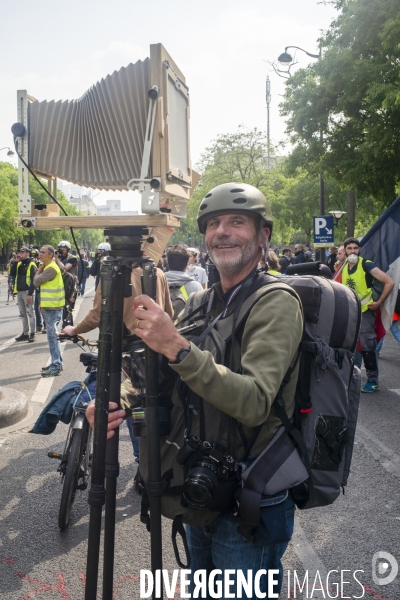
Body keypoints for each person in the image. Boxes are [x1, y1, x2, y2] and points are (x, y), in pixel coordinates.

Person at [87, 182, 303, 597]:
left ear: (263, 236)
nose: (222, 231)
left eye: (237, 222)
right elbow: (160, 373)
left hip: (249, 495)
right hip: (199, 488)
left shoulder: (276, 301)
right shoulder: (202, 301)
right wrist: (119, 399)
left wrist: (177, 346)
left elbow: (256, 401)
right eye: (214, 223)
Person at [62, 264, 173, 465]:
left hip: (125, 350)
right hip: (154, 347)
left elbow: (97, 315)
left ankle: (140, 457)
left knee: (124, 402)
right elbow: (169, 313)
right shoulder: (156, 272)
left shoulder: (112, 273)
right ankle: (145, 462)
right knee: (146, 403)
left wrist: (74, 329)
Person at [341, 237, 394, 393]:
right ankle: (353, 373)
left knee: (368, 347)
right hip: (351, 311)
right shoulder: (344, 266)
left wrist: (378, 303)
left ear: (359, 249)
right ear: (345, 250)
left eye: (355, 248)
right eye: (349, 248)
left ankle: (372, 381)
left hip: (365, 312)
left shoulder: (366, 264)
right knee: (351, 344)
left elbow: (389, 282)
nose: (352, 251)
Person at [33, 245, 65, 377]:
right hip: (49, 306)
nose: (40, 254)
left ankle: (56, 365)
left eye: (43, 252)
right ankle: (56, 363)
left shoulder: (51, 268)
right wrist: (42, 302)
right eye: (40, 252)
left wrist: (39, 269)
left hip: (53, 308)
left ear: (51, 255)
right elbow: (45, 287)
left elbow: (36, 281)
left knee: (53, 338)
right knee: (52, 338)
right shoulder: (48, 267)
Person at [164, 245, 203, 319]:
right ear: (186, 265)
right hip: (186, 328)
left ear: (168, 263)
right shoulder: (196, 287)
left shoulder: (159, 283)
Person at [10, 246, 37, 342]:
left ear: (28, 253)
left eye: (23, 252)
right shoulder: (19, 263)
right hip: (20, 291)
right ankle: (25, 333)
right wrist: (15, 262)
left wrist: (30, 293)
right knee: (22, 313)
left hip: (27, 292)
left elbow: (34, 281)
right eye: (20, 251)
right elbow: (12, 273)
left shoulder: (32, 264)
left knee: (30, 312)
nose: (20, 253)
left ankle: (32, 333)